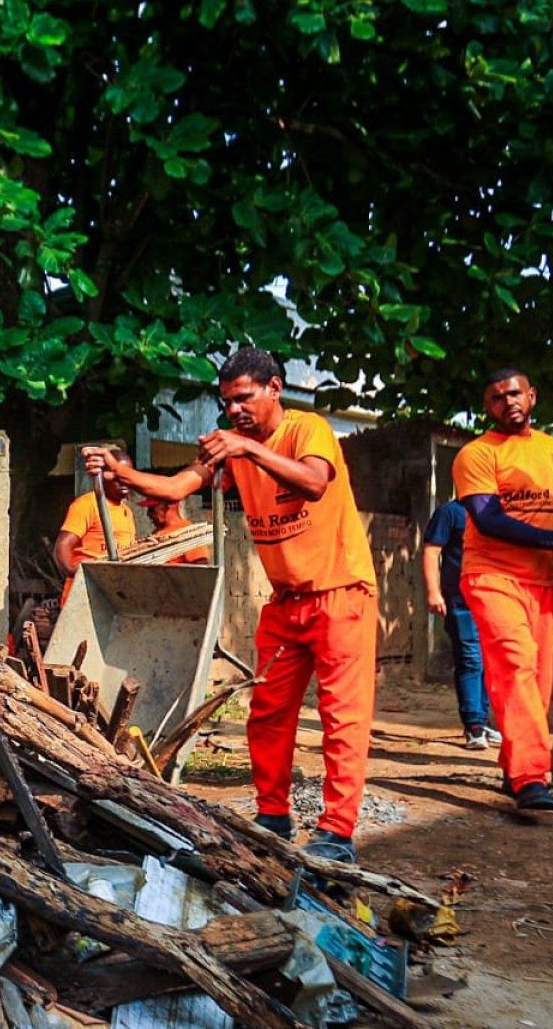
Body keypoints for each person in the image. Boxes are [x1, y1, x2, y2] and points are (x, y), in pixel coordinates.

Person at [97, 348, 376, 864]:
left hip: (341, 594)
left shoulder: (307, 429)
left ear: (274, 388)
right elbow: (177, 486)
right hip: (286, 602)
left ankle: (337, 832)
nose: (235, 412)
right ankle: (273, 816)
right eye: (227, 403)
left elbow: (314, 482)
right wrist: (123, 473)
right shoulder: (234, 446)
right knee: (267, 712)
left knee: (343, 718)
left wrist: (247, 451)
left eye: (243, 398)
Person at [451, 369, 553, 814]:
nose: (507, 402)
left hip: (542, 578)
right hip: (492, 576)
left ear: (532, 396)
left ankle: (514, 766)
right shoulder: (476, 454)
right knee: (516, 664)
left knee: (539, 682)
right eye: (496, 397)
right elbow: (489, 521)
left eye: (514, 393)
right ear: (487, 408)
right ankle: (529, 776)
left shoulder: (550, 449)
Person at [421, 499, 499, 749]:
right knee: (470, 658)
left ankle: (483, 721)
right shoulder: (450, 512)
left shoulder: (494, 511)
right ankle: (473, 725)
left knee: (488, 660)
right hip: (459, 600)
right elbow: (432, 551)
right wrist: (434, 592)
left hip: (491, 597)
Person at [53, 442, 137, 604]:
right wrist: (75, 573)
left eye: (126, 475)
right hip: (85, 596)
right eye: (115, 475)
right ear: (102, 475)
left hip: (113, 593)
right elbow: (62, 546)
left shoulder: (127, 511)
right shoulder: (87, 504)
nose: (123, 481)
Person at [138, 494, 214, 564]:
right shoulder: (155, 534)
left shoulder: (189, 534)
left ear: (170, 506)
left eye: (152, 509)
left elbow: (200, 569)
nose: (148, 514)